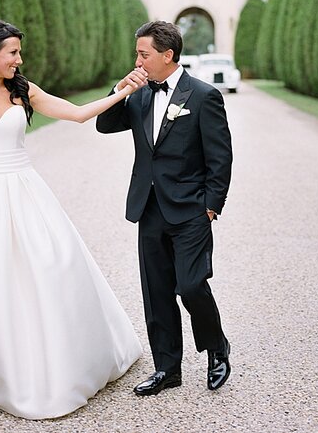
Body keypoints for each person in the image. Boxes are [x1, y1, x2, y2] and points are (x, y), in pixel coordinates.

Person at [0, 19, 145, 420]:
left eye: (19, 52)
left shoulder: (24, 90)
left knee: (50, 266)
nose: (19, 59)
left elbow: (77, 113)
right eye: (13, 52)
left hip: (24, 190)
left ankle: (51, 360)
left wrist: (121, 91)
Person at [96, 20, 232, 396]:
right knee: (156, 293)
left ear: (167, 55)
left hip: (191, 209)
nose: (137, 60)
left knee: (190, 286)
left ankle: (216, 347)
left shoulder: (203, 96)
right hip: (149, 207)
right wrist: (121, 89)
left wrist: (210, 206)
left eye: (143, 54)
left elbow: (220, 158)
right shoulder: (138, 95)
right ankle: (167, 370)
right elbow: (104, 125)